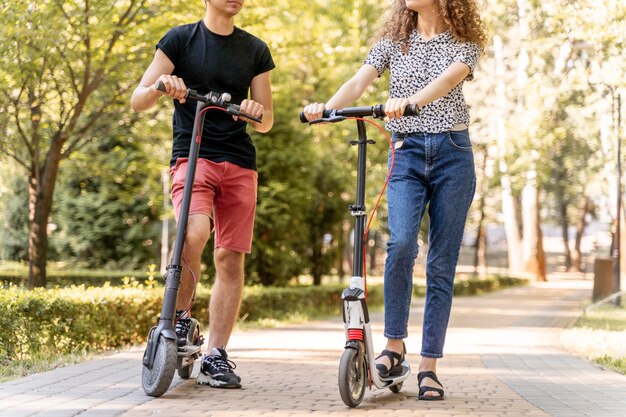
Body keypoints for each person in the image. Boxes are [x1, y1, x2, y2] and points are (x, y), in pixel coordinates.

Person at [302, 0, 486, 400]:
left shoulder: (464, 43)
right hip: (406, 151)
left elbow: (446, 83)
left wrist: (409, 101)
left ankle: (429, 366)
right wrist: (325, 108)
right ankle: (394, 348)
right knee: (401, 245)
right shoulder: (393, 40)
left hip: (453, 153)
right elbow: (357, 82)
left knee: (441, 262)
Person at [131, 0, 274, 389]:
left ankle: (216, 354)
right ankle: (177, 319)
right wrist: (163, 86)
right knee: (193, 233)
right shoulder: (180, 40)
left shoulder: (255, 49)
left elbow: (267, 120)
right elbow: (138, 99)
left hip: (240, 163)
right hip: (193, 156)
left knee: (230, 257)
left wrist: (251, 111)